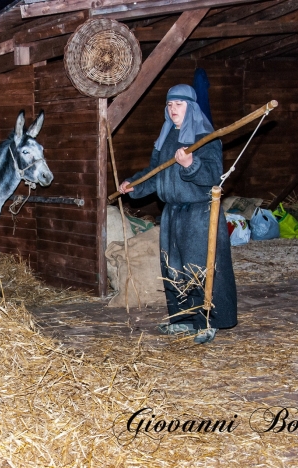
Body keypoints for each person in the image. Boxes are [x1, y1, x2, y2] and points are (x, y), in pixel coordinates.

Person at [118, 84, 237, 344]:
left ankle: (207, 321)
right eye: (170, 105)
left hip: (199, 214)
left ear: (191, 107)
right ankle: (182, 319)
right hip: (172, 213)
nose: (173, 109)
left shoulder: (206, 138)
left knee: (201, 269)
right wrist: (134, 185)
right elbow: (155, 174)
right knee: (174, 269)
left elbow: (213, 177)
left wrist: (190, 165)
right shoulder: (166, 137)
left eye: (179, 104)